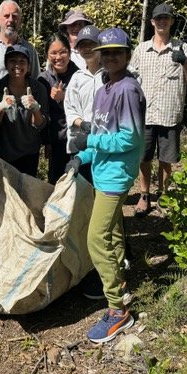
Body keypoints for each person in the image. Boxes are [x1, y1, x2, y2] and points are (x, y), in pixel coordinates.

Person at [65, 27, 146, 343]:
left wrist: (91, 139)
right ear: (97, 54)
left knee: (96, 239)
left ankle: (117, 310)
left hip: (117, 175)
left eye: (117, 51)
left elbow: (130, 138)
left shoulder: (127, 89)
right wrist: (82, 156)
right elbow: (100, 133)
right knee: (111, 233)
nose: (110, 56)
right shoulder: (104, 89)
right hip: (101, 170)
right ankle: (119, 284)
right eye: (106, 51)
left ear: (127, 55)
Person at [129, 3, 187, 216]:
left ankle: (163, 196)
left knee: (166, 160)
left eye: (166, 18)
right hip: (145, 115)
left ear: (171, 21)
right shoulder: (141, 49)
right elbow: (130, 79)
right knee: (144, 158)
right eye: (158, 18)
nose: (162, 22)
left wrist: (185, 62)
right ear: (152, 22)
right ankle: (144, 196)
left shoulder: (182, 48)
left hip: (170, 115)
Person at [0, 44, 49, 176]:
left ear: (29, 66)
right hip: (1, 152)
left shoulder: (38, 88)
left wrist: (35, 109)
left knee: (25, 193)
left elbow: (40, 124)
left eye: (22, 61)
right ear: (6, 64)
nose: (17, 65)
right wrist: (0, 108)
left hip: (29, 153)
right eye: (13, 61)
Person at [64, 25, 104, 183]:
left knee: (101, 187)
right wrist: (82, 124)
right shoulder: (77, 77)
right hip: (81, 141)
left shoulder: (110, 75)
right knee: (82, 187)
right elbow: (70, 108)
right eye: (82, 45)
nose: (87, 49)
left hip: (104, 141)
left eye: (91, 44)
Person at [38, 33, 80, 184]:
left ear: (69, 52)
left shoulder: (80, 75)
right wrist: (46, 142)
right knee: (57, 181)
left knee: (78, 180)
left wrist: (64, 98)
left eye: (63, 52)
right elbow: (42, 114)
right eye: (53, 53)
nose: (58, 57)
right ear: (47, 55)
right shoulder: (43, 79)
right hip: (56, 140)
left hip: (78, 139)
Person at [0, 0, 40, 91]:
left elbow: (36, 82)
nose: (11, 20)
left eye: (15, 16)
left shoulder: (30, 49)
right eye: (6, 16)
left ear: (20, 21)